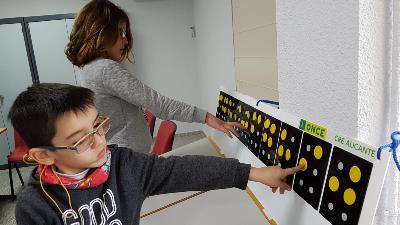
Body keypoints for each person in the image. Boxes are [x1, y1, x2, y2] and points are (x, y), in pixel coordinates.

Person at [10, 83, 302, 225]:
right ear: (44, 156)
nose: (100, 141)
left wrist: (253, 174)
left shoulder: (122, 165)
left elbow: (181, 170)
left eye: (98, 126)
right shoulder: (35, 205)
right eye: (82, 140)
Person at [65, 0, 240, 153]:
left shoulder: (87, 69)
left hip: (122, 154)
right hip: (129, 157)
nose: (125, 41)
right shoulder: (104, 68)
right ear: (101, 32)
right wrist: (207, 117)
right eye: (120, 32)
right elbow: (158, 104)